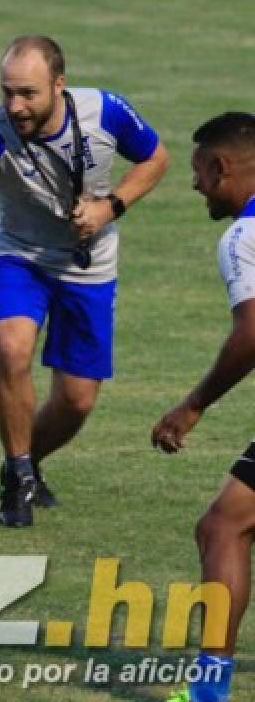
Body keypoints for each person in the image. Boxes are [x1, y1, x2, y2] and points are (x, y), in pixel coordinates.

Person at [0, 35, 169, 527]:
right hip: (17, 255)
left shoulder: (104, 111)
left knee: (77, 401)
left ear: (58, 85)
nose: (15, 105)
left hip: (89, 264)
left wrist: (110, 207)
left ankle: (26, 459)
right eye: (7, 92)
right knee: (11, 348)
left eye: (28, 93)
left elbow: (156, 158)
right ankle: (19, 477)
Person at [152, 112, 255, 702]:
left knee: (224, 526)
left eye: (198, 173)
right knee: (226, 523)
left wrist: (193, 406)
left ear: (222, 167)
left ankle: (208, 692)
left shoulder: (244, 237)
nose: (194, 186)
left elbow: (251, 333)